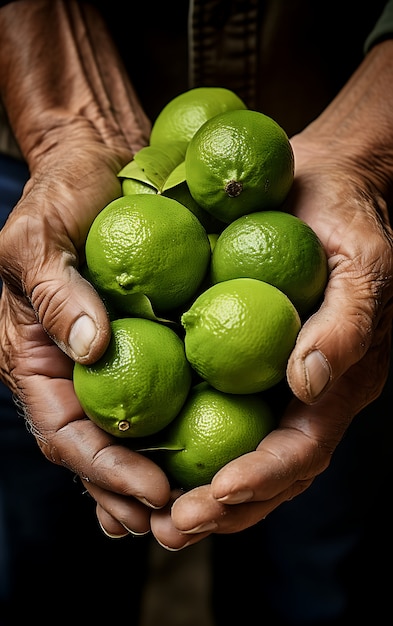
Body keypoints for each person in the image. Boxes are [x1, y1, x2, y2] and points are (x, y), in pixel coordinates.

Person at [0, 1, 392, 622]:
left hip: (335, 202)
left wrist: (370, 146)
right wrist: (61, 120)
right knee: (39, 562)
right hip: (42, 166)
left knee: (324, 570)